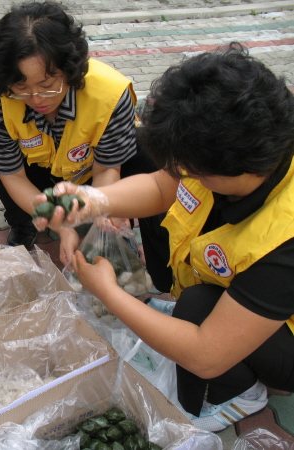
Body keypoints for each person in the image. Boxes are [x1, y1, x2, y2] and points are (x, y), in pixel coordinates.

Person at [34, 43, 294, 432]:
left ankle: (237, 394)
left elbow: (206, 354)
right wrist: (94, 201)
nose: (180, 176)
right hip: (245, 290)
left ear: (237, 168)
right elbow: (160, 186)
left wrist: (109, 293)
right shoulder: (238, 143)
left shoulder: (284, 240)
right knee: (186, 289)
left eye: (189, 172)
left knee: (198, 308)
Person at [0, 1, 155, 263]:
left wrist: (101, 207)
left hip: (89, 174)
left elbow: (106, 170)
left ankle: (134, 235)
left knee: (147, 147)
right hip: (36, 173)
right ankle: (27, 220)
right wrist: (61, 227)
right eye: (20, 87)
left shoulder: (110, 94)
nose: (36, 98)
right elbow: (12, 176)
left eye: (47, 84)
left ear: (71, 69)